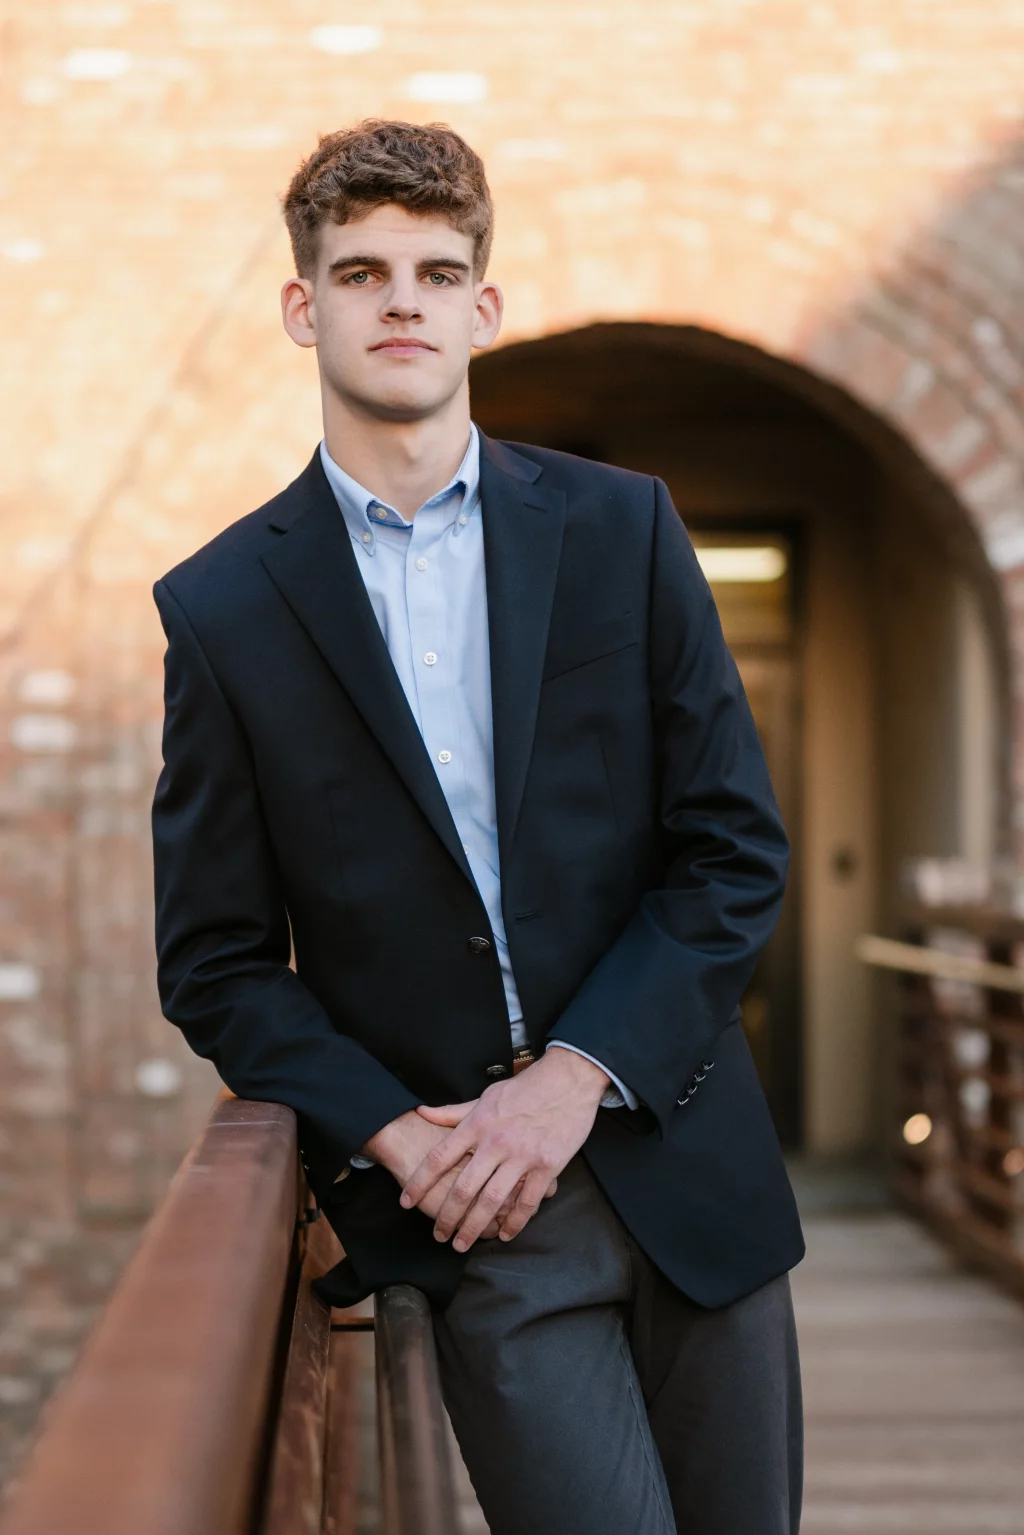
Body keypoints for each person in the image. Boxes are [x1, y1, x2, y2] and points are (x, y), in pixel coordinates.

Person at [152, 118, 805, 1535]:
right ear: (302, 304)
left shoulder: (620, 530)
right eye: (363, 269)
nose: (401, 299)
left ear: (483, 308)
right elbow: (213, 960)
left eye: (437, 272)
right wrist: (391, 1133)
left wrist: (575, 1074)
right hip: (472, 1213)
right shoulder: (220, 610)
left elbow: (731, 848)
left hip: (683, 1159)